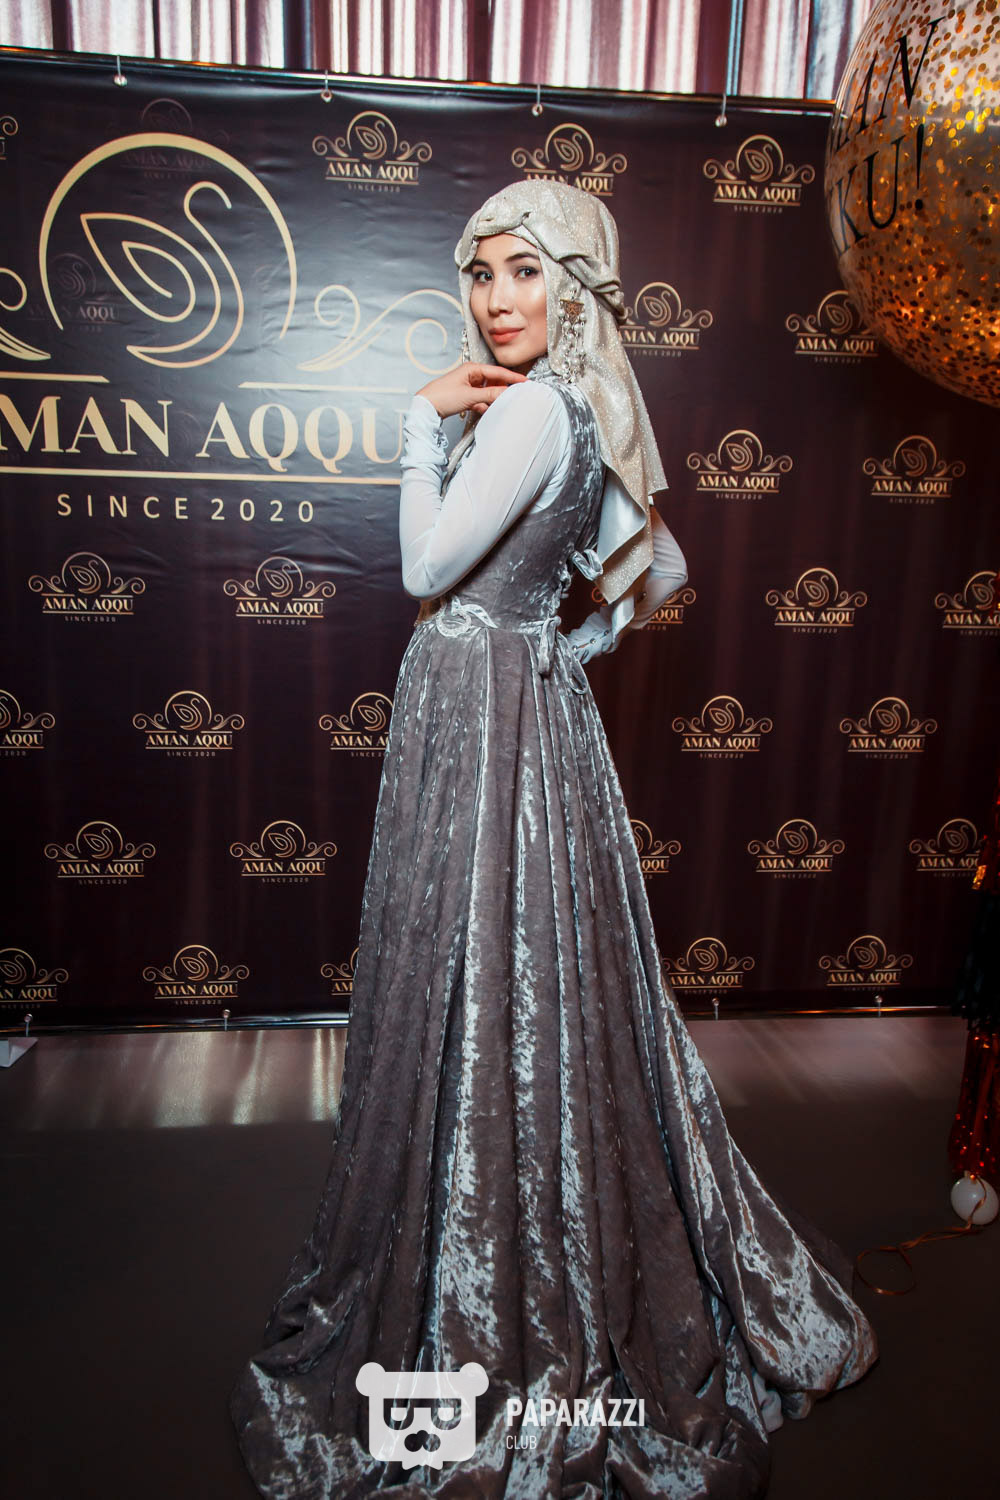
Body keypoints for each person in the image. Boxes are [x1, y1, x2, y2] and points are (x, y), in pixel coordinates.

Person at [229, 180, 878, 1499]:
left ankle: (486, 1281)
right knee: (535, 983)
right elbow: (660, 571)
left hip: (479, 719)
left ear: (574, 287)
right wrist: (554, 656)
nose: (496, 299)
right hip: (525, 720)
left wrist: (420, 427)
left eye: (525, 271)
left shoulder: (525, 412)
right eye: (480, 274)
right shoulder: (584, 413)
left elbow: (425, 573)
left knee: (477, 974)